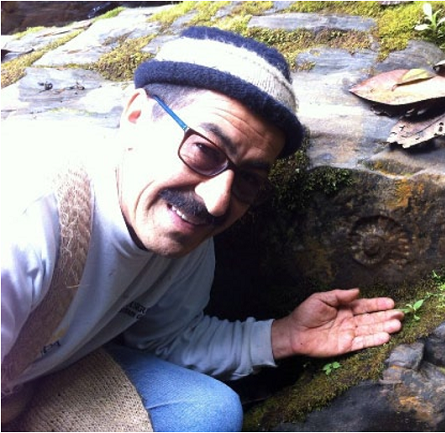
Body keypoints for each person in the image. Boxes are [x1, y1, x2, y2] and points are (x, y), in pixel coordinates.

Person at [1, 26, 404, 431]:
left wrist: (286, 336)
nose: (217, 202)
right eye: (204, 151)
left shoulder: (181, 231)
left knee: (207, 411)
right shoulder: (26, 214)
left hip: (39, 369)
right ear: (136, 116)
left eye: (248, 179)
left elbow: (167, 338)